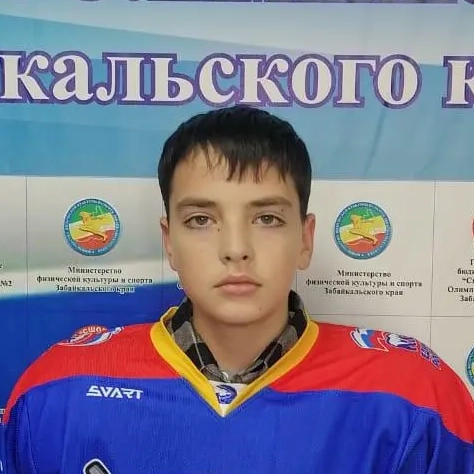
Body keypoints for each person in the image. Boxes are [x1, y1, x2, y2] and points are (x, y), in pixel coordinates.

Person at [2, 105, 473, 474]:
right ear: (169, 242)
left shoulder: (415, 397)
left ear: (305, 239)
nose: (235, 249)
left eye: (266, 218)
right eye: (200, 220)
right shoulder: (59, 390)